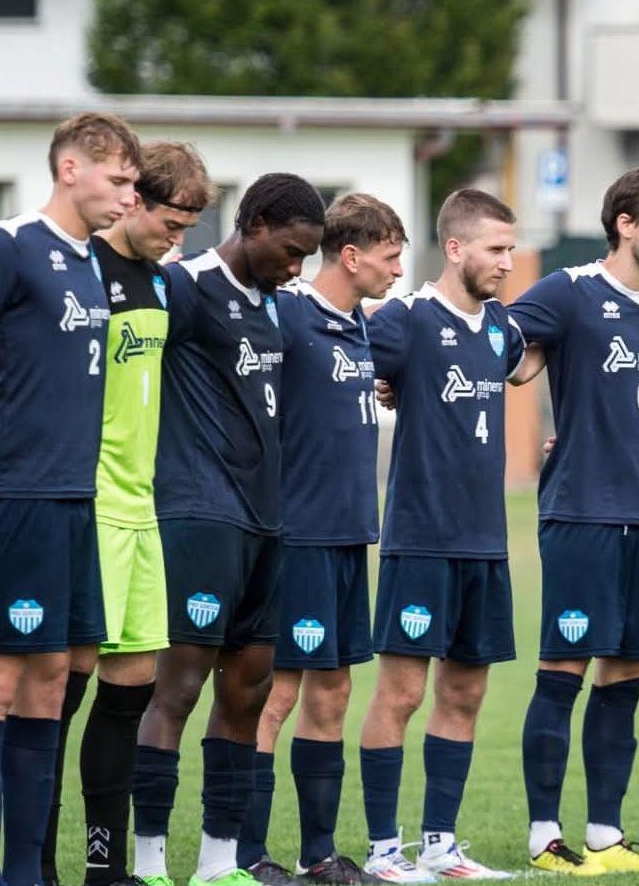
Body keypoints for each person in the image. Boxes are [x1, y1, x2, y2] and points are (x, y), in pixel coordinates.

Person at [0, 112, 141, 886]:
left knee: (56, 674)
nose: (129, 195)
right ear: (70, 168)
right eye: (118, 179)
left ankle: (27, 871)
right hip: (13, 497)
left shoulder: (90, 260)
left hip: (73, 501)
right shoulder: (10, 245)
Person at [128, 173, 325, 886]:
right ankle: (147, 862)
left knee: (248, 690)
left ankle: (218, 861)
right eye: (292, 250)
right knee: (175, 689)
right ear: (257, 222)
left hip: (268, 522)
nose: (297, 267)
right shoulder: (185, 287)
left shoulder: (281, 307)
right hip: (198, 516)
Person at [38, 141, 216, 886]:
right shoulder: (81, 271)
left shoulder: (165, 285)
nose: (179, 241)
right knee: (61, 695)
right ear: (134, 198)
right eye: (172, 223)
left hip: (144, 512)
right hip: (86, 508)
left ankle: (104, 867)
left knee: (130, 689)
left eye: (188, 229)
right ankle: (33, 864)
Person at [510, 166, 639, 875]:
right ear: (625, 223)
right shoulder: (570, 291)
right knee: (564, 670)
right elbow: (507, 354)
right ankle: (544, 837)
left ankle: (607, 836)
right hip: (581, 512)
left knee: (629, 673)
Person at [357, 189, 536, 883]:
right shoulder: (403, 319)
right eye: (496, 249)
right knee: (398, 695)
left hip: (487, 543)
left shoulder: (502, 330)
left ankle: (441, 847)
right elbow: (345, 360)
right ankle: (382, 851)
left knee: (464, 696)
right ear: (455, 248)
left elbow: (530, 362)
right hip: (420, 539)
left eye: (511, 249)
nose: (507, 263)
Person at [236, 194, 406, 883]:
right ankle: (243, 853)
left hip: (347, 536)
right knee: (272, 696)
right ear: (353, 254)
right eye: (391, 257)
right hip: (296, 535)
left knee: (331, 692)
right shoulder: (289, 313)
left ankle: (318, 853)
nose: (399, 270)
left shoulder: (362, 326)